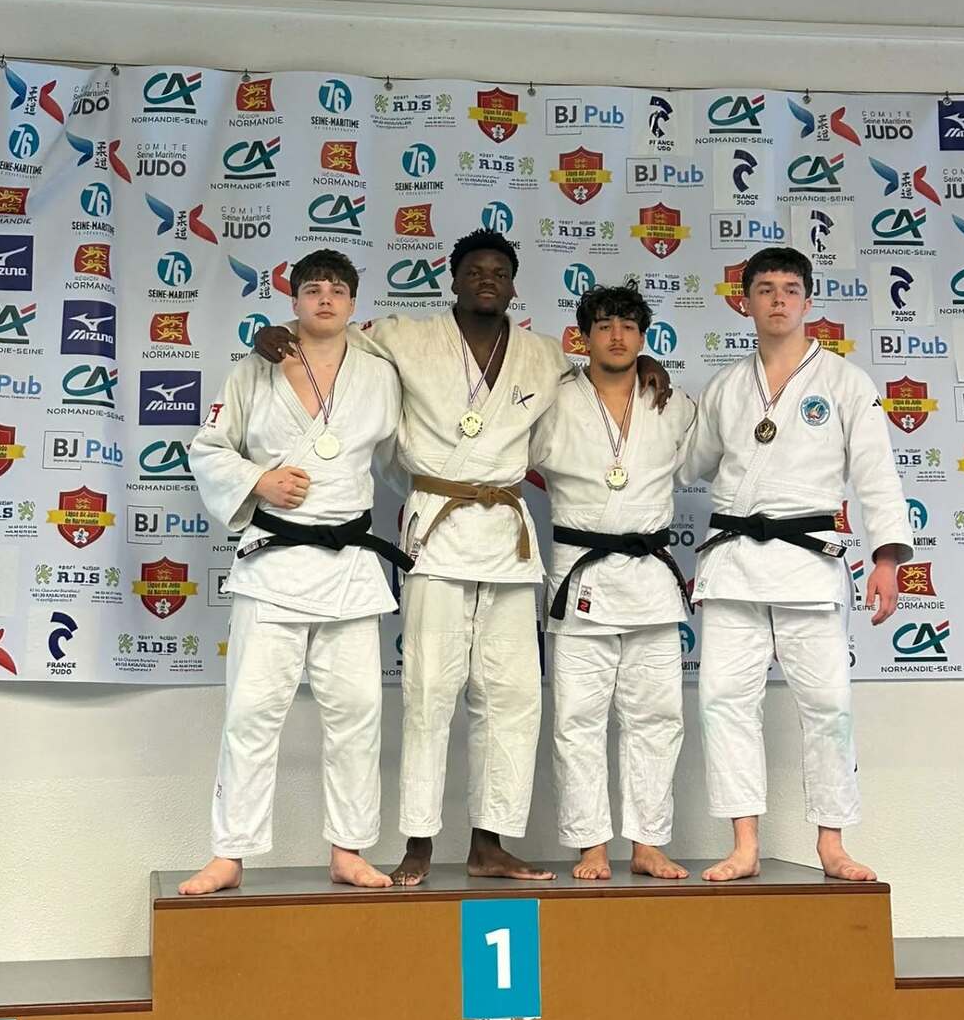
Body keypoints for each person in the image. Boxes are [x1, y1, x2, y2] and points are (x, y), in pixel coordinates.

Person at [256, 230, 670, 885]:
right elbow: (330, 338)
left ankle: (488, 842)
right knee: (428, 690)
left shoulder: (542, 354)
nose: (486, 279)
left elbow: (600, 374)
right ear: (451, 278)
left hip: (507, 539)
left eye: (498, 271)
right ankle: (419, 841)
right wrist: (277, 334)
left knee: (512, 696)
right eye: (474, 269)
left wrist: (647, 366)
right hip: (438, 533)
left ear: (513, 285)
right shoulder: (404, 337)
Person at [179, 249, 408, 894]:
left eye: (337, 289)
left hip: (349, 566)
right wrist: (259, 480)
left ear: (354, 303)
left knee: (358, 714)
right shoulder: (256, 367)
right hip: (274, 563)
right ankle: (230, 853)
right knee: (251, 712)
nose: (325, 299)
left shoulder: (380, 372)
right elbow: (208, 448)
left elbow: (404, 455)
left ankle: (349, 849)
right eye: (312, 289)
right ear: (294, 299)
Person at [681, 246, 912, 882]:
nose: (778, 299)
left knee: (829, 704)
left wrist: (887, 557)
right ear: (745, 302)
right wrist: (653, 401)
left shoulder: (845, 382)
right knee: (724, 702)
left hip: (810, 564)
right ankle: (744, 843)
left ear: (808, 302)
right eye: (765, 289)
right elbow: (689, 463)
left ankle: (831, 841)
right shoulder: (725, 388)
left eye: (789, 289)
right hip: (734, 563)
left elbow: (877, 475)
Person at [530, 283, 696, 881]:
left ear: (644, 337)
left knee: (657, 717)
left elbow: (702, 459)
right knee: (577, 720)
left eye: (628, 326)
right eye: (604, 326)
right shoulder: (554, 399)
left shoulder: (672, 402)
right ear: (584, 337)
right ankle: (591, 845)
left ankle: (648, 842)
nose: (617, 336)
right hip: (581, 578)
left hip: (650, 580)